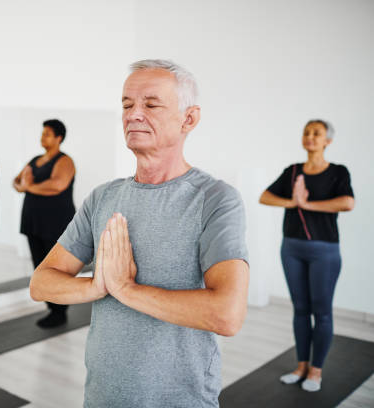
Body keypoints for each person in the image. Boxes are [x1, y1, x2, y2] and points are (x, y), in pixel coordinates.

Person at [29, 59, 249, 407]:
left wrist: (125, 289)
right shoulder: (103, 197)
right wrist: (99, 286)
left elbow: (227, 314)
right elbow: (41, 283)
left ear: (188, 119)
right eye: (127, 104)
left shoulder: (215, 199)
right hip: (102, 397)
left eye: (151, 104)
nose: (133, 114)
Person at [259, 119, 354, 392]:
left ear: (327, 141)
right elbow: (265, 196)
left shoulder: (337, 172)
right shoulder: (292, 172)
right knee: (300, 310)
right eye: (306, 132)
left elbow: (347, 202)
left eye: (317, 133)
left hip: (324, 251)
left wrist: (307, 204)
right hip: (292, 248)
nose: (310, 137)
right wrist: (292, 201)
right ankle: (300, 366)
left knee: (321, 312)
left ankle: (316, 371)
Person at [14, 119, 76, 328]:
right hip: (33, 222)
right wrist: (26, 185)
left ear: (59, 138)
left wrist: (28, 186)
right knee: (40, 267)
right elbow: (17, 181)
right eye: (42, 133)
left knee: (55, 270)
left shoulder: (65, 161)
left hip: (55, 223)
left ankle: (60, 311)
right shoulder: (35, 160)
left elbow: (57, 185)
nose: (43, 137)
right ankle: (51, 308)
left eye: (47, 134)